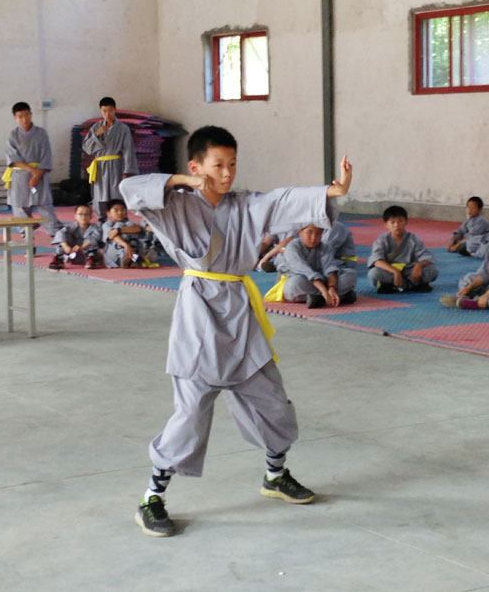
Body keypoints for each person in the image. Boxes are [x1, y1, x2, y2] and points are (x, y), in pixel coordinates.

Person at [120, 125, 352, 537]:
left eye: (233, 165)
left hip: (240, 314)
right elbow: (130, 187)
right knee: (191, 412)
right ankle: (151, 498)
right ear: (196, 167)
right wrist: (180, 180)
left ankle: (275, 476)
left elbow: (281, 200)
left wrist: (330, 193)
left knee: (274, 402)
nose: (227, 174)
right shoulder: (176, 204)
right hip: (199, 314)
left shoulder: (244, 205)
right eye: (218, 165)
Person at [3, 102, 64, 237]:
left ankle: (59, 241)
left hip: (40, 174)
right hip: (20, 175)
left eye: (26, 115)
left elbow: (46, 155)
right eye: (20, 117)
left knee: (45, 206)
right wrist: (32, 171)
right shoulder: (12, 135)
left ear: (31, 114)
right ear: (15, 118)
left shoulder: (41, 133)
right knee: (19, 206)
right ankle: (28, 240)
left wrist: (37, 175)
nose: (24, 119)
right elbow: (13, 159)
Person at [266, 225, 357, 308]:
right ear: (300, 232)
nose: (313, 238)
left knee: (350, 274)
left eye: (318, 234)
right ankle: (340, 296)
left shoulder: (325, 247)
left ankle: (321, 298)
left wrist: (332, 287)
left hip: (321, 280)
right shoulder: (292, 246)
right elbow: (302, 268)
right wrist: (323, 290)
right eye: (309, 233)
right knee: (294, 284)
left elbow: (330, 268)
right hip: (302, 278)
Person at [83, 96, 138, 222]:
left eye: (110, 110)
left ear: (115, 110)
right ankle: (101, 220)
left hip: (116, 166)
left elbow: (128, 150)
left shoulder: (123, 129)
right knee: (99, 196)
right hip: (100, 167)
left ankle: (121, 220)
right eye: (104, 111)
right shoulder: (96, 127)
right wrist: (97, 135)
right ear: (101, 111)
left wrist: (127, 171)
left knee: (116, 194)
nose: (107, 114)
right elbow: (87, 148)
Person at [369, 205, 438, 293]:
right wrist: (395, 272)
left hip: (410, 271)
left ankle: (394, 286)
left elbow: (426, 256)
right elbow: (377, 261)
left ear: (406, 222)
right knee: (374, 273)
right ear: (386, 225)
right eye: (392, 222)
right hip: (390, 271)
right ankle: (414, 285)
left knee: (432, 270)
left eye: (400, 221)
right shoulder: (381, 240)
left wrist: (419, 266)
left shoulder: (413, 239)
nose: (397, 225)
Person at [49, 205, 103, 270]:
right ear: (75, 216)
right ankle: (59, 259)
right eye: (80, 214)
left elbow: (94, 238)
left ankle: (92, 260)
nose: (83, 217)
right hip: (72, 253)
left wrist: (82, 247)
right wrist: (66, 246)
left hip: (88, 254)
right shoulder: (71, 227)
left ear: (91, 216)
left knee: (93, 244)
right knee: (62, 235)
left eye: (87, 214)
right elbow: (60, 233)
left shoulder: (96, 228)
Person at [101, 199, 151, 268]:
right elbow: (112, 235)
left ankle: (132, 259)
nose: (120, 212)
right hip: (114, 258)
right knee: (119, 225)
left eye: (122, 210)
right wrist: (126, 245)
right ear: (108, 213)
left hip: (132, 250)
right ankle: (125, 258)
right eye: (116, 210)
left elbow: (138, 229)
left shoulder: (130, 223)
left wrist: (119, 230)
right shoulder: (106, 225)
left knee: (129, 227)